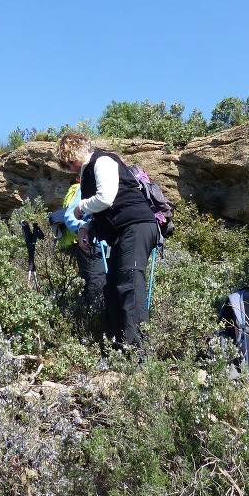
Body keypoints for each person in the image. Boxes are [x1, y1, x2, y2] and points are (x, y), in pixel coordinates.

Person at [54, 132, 159, 349]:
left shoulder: (102, 161)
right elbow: (102, 211)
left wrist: (80, 209)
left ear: (77, 150)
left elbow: (105, 198)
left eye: (70, 161)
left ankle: (139, 354)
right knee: (112, 289)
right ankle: (116, 350)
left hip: (136, 226)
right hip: (120, 231)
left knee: (130, 283)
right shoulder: (86, 172)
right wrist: (85, 227)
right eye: (66, 165)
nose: (70, 167)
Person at [56, 178, 108, 310]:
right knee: (96, 287)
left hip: (112, 248)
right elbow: (70, 215)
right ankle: (91, 323)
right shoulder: (88, 187)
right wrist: (84, 228)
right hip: (93, 247)